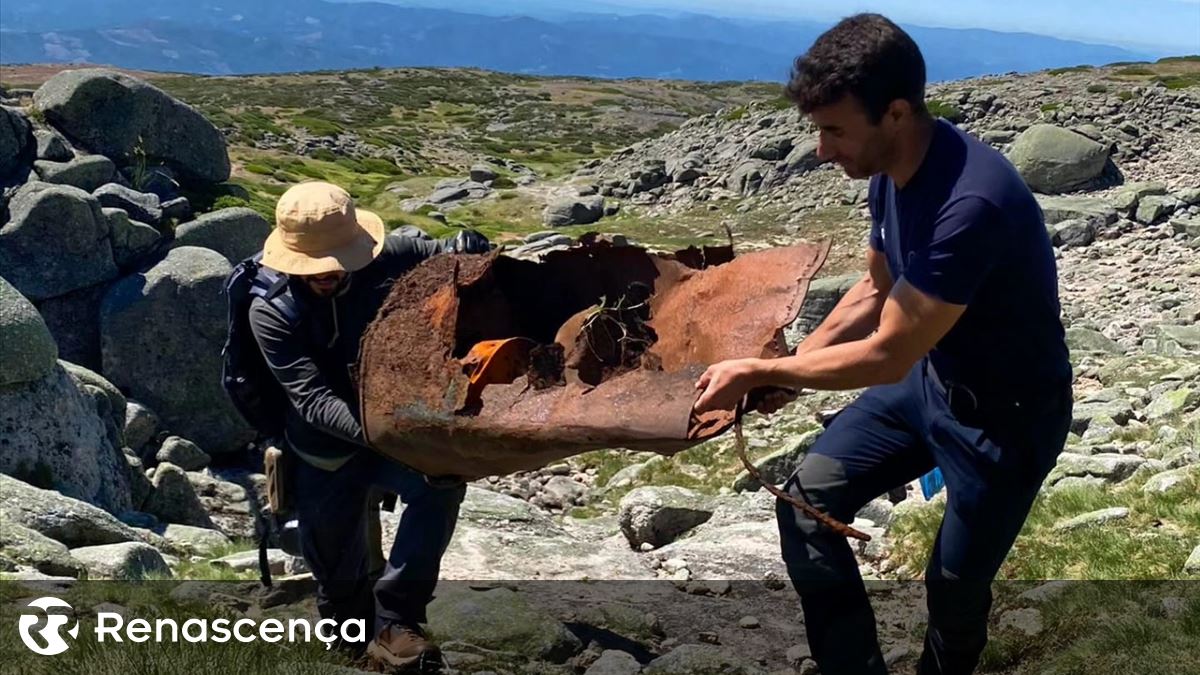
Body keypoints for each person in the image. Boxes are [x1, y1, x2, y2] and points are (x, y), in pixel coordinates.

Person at [692, 14, 1073, 675]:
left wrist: (757, 369)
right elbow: (874, 292)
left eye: (834, 129)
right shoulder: (890, 173)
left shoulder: (970, 202)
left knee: (952, 595)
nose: (820, 148)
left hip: (1005, 422)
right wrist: (790, 366)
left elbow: (887, 351)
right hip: (930, 386)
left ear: (895, 113)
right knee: (806, 507)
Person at [249, 181, 489, 670]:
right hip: (321, 447)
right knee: (338, 582)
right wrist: (390, 436)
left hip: (392, 430)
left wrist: (462, 247)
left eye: (340, 260)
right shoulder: (270, 309)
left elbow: (437, 251)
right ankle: (351, 637)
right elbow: (312, 399)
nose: (330, 273)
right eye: (317, 267)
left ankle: (398, 621)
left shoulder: (387, 256)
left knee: (439, 486)